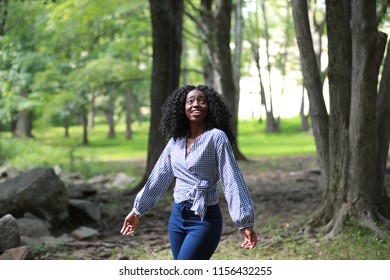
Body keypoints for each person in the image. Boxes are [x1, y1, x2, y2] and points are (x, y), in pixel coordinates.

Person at [120, 85, 257, 260]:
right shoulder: (176, 140)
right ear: (182, 109)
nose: (196, 105)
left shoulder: (216, 137)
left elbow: (232, 179)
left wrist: (244, 222)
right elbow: (159, 176)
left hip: (204, 219)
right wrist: (137, 210)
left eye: (202, 101)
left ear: (210, 107)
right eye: (190, 101)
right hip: (177, 217)